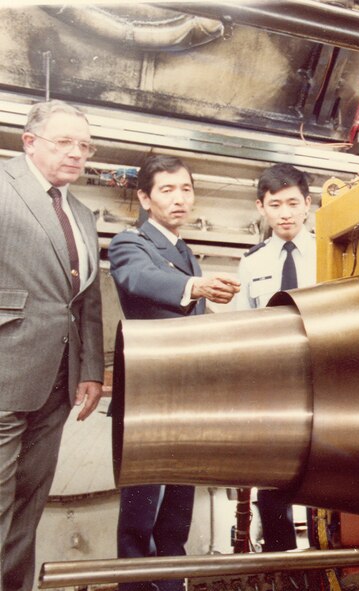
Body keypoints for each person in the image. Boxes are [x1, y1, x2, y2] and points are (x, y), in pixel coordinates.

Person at [108, 154, 240, 591]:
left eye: (185, 188)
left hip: (186, 400)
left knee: (176, 515)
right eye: (167, 190)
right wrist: (194, 287)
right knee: (140, 519)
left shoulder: (186, 252)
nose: (179, 198)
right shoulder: (132, 243)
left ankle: (171, 585)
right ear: (145, 198)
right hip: (150, 400)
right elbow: (137, 280)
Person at [0, 100, 104, 591]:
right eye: (64, 142)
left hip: (57, 385)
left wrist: (90, 369)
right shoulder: (3, 187)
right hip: (5, 373)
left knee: (27, 508)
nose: (76, 154)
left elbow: (85, 300)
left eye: (84, 146)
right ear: (30, 141)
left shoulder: (81, 213)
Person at [236, 163, 315, 551]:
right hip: (273, 384)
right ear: (261, 207)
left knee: (326, 472)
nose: (285, 213)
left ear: (307, 205)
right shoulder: (252, 263)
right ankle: (280, 556)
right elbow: (242, 325)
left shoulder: (330, 250)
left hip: (325, 376)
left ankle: (327, 557)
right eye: (275, 204)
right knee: (274, 475)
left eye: (292, 203)